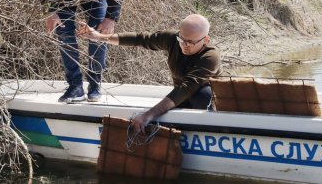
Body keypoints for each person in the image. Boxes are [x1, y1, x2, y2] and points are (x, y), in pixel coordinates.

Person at [77, 14, 222, 133]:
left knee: (203, 94)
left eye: (190, 42)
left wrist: (148, 115)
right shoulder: (174, 39)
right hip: (180, 99)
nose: (184, 45)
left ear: (205, 40)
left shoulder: (210, 57)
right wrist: (98, 37)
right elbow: (141, 39)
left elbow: (186, 87)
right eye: (182, 40)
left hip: (204, 102)